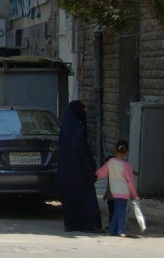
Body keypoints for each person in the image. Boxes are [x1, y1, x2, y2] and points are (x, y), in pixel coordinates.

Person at [57, 100, 103, 233]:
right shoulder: (78, 127)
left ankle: (71, 224)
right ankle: (88, 224)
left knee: (70, 196)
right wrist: (90, 166)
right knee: (85, 196)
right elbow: (82, 149)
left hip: (66, 168)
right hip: (80, 169)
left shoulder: (65, 126)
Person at [96, 140, 138, 237]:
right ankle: (121, 230)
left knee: (116, 210)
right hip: (124, 191)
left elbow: (101, 173)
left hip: (114, 191)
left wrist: (95, 173)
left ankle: (112, 229)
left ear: (115, 149)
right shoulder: (126, 165)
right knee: (121, 211)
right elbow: (130, 181)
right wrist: (134, 194)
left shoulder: (111, 162)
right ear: (127, 151)